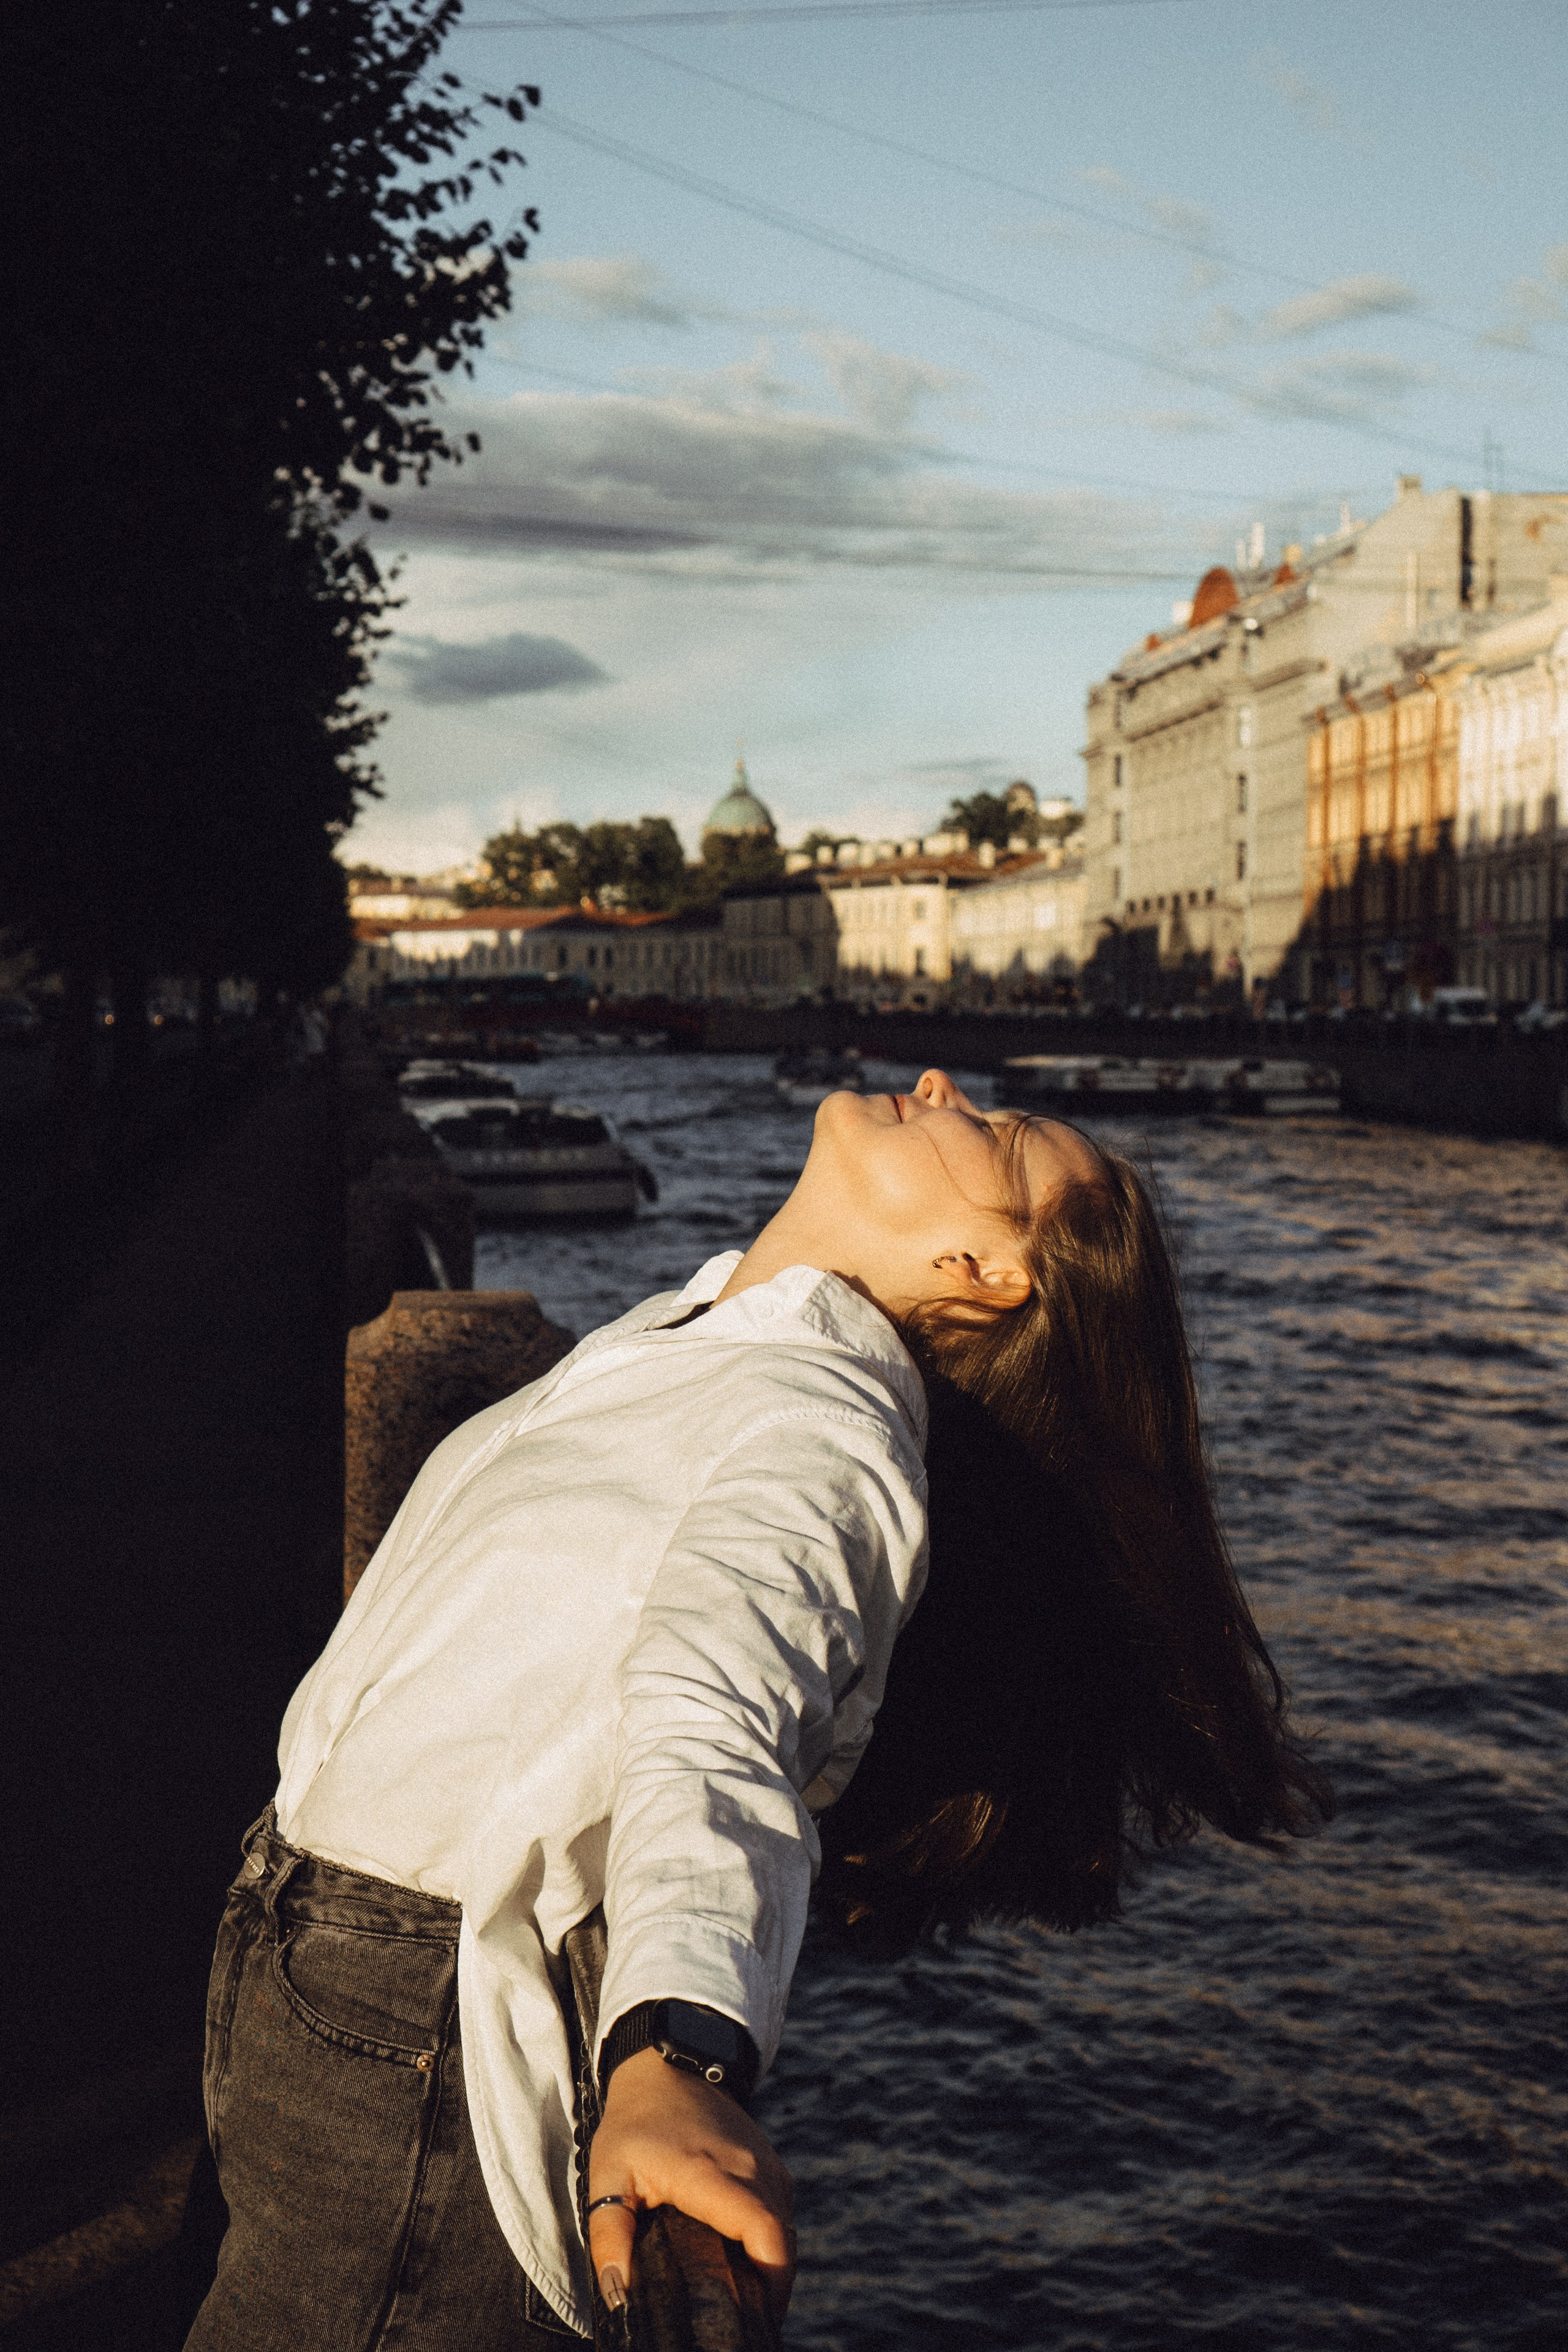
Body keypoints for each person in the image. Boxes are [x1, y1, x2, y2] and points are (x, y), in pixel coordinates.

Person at [185, 1069, 1328, 2349]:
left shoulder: (823, 1433)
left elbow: (719, 1719)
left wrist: (678, 2056)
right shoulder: (707, 1332)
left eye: (999, 1135)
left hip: (413, 2022)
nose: (944, 1083)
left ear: (981, 1270)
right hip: (310, 1955)